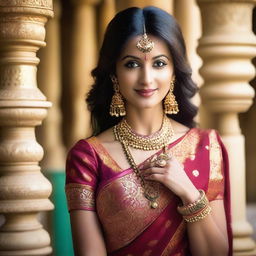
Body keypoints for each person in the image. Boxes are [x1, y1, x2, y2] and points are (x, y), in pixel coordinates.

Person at [65, 6, 232, 256]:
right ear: (114, 74)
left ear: (174, 71)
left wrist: (188, 193)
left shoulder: (205, 146)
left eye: (159, 63)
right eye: (132, 64)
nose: (146, 78)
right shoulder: (88, 157)